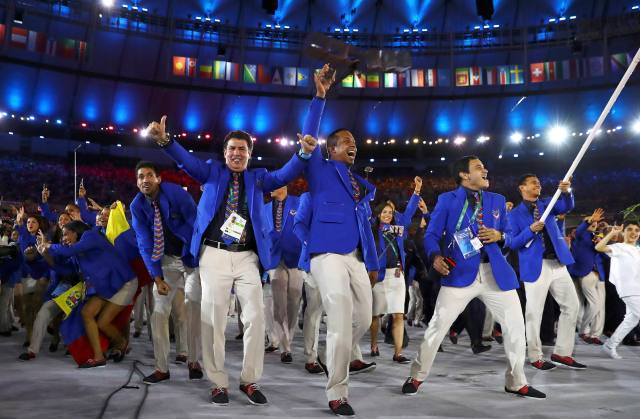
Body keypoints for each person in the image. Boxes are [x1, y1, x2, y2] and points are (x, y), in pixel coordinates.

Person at [143, 64, 328, 406]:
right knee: (212, 319)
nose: (237, 154)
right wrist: (167, 142)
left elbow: (292, 167)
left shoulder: (261, 179)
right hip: (213, 254)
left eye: (243, 150)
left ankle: (249, 380)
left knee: (255, 316)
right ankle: (218, 382)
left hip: (247, 257)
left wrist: (307, 138)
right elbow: (185, 161)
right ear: (224, 154)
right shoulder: (211, 173)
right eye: (232, 150)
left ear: (250, 154)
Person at [402, 156, 545, 399]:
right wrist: (435, 257)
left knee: (515, 328)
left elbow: (511, 236)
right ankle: (416, 375)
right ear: (464, 175)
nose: (485, 169)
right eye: (479, 167)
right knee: (437, 328)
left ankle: (516, 380)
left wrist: (499, 235)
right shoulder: (447, 200)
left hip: (495, 273)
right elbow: (431, 235)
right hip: (458, 272)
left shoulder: (498, 200)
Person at [303, 98, 382, 415]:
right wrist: (319, 98)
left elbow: (366, 227)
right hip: (327, 254)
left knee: (363, 318)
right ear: (331, 149)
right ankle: (337, 392)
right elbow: (309, 136)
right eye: (346, 142)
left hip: (357, 257)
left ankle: (332, 353)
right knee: (338, 317)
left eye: (355, 142)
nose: (354, 145)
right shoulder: (319, 170)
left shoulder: (362, 186)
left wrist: (373, 262)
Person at [130, 161, 202, 383]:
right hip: (167, 261)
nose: (145, 180)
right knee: (159, 313)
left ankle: (194, 361)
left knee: (192, 307)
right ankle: (162, 368)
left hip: (191, 260)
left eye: (149, 175)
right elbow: (144, 242)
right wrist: (157, 277)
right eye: (140, 176)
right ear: (137, 182)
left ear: (158, 178)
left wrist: (199, 258)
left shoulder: (176, 194)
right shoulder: (136, 206)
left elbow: (195, 224)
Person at [507, 174, 586, 370]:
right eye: (533, 182)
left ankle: (562, 352)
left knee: (572, 306)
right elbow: (513, 243)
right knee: (534, 313)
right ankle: (535, 356)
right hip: (536, 266)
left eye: (539, 182)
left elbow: (567, 206)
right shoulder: (513, 215)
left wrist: (567, 192)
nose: (538, 185)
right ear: (522, 188)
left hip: (558, 263)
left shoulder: (547, 204)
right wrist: (530, 230)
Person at [37, 221, 137, 368]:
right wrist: (44, 253)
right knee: (87, 313)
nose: (64, 238)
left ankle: (121, 342)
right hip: (106, 287)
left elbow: (67, 251)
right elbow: (66, 270)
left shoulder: (91, 236)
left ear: (76, 231)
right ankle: (99, 357)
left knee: (103, 322)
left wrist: (49, 246)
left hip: (123, 283)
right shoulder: (76, 252)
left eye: (66, 234)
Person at [369, 177, 422, 363]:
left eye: (390, 212)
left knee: (398, 314)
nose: (387, 215)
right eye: (384, 212)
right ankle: (374, 344)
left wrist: (416, 192)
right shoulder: (372, 231)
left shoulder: (398, 229)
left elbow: (408, 214)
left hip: (397, 275)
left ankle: (397, 353)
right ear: (377, 214)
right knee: (376, 315)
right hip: (378, 277)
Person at [263, 186, 304, 363]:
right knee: (279, 306)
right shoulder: (264, 208)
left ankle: (289, 338)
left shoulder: (299, 202)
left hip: (295, 259)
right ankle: (285, 348)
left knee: (294, 303)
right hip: (274, 259)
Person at [596, 220, 640, 359]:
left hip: (638, 289)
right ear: (623, 232)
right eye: (630, 229)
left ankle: (610, 345)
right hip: (629, 289)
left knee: (631, 320)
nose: (633, 232)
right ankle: (610, 345)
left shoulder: (638, 249)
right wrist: (612, 234)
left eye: (636, 230)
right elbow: (599, 247)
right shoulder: (619, 247)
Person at [568, 208, 607, 345]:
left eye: (596, 222)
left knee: (600, 306)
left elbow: (605, 255)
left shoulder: (598, 236)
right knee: (589, 303)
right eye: (592, 221)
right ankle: (584, 330)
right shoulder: (579, 234)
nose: (594, 223)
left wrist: (601, 242)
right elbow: (579, 230)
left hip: (599, 273)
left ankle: (595, 334)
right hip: (583, 272)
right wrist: (588, 221)